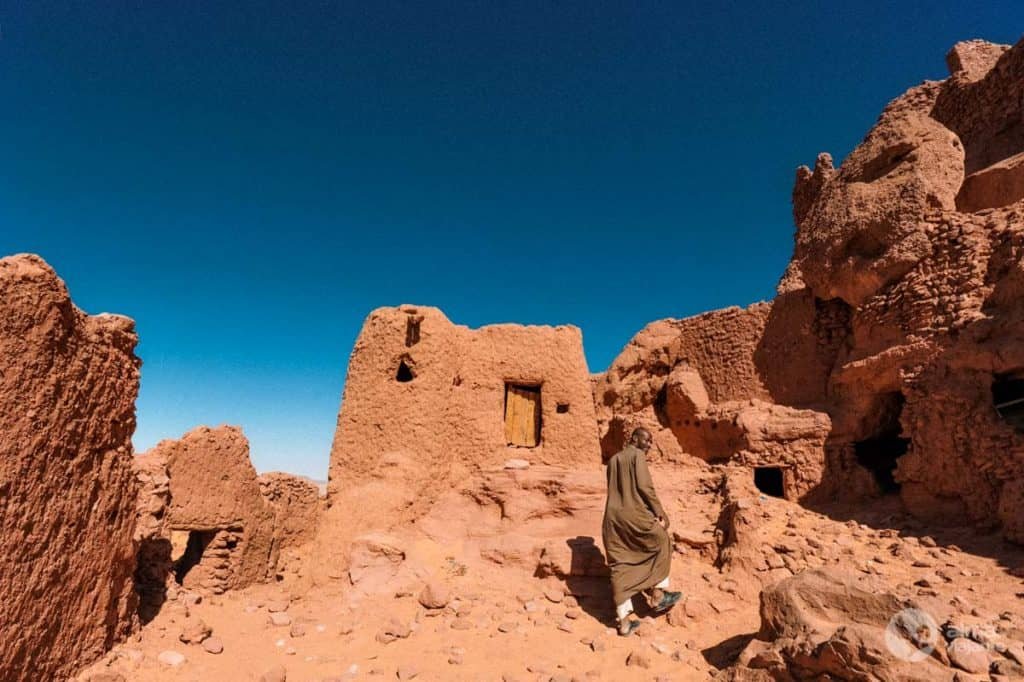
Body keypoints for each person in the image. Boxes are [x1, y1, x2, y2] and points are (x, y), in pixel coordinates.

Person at [602, 427, 681, 636]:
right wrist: (660, 511)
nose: (649, 445)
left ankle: (625, 623)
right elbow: (645, 487)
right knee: (662, 541)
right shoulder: (636, 456)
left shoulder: (613, 460)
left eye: (650, 442)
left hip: (612, 518)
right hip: (634, 514)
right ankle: (658, 594)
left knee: (620, 562)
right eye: (646, 440)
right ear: (634, 438)